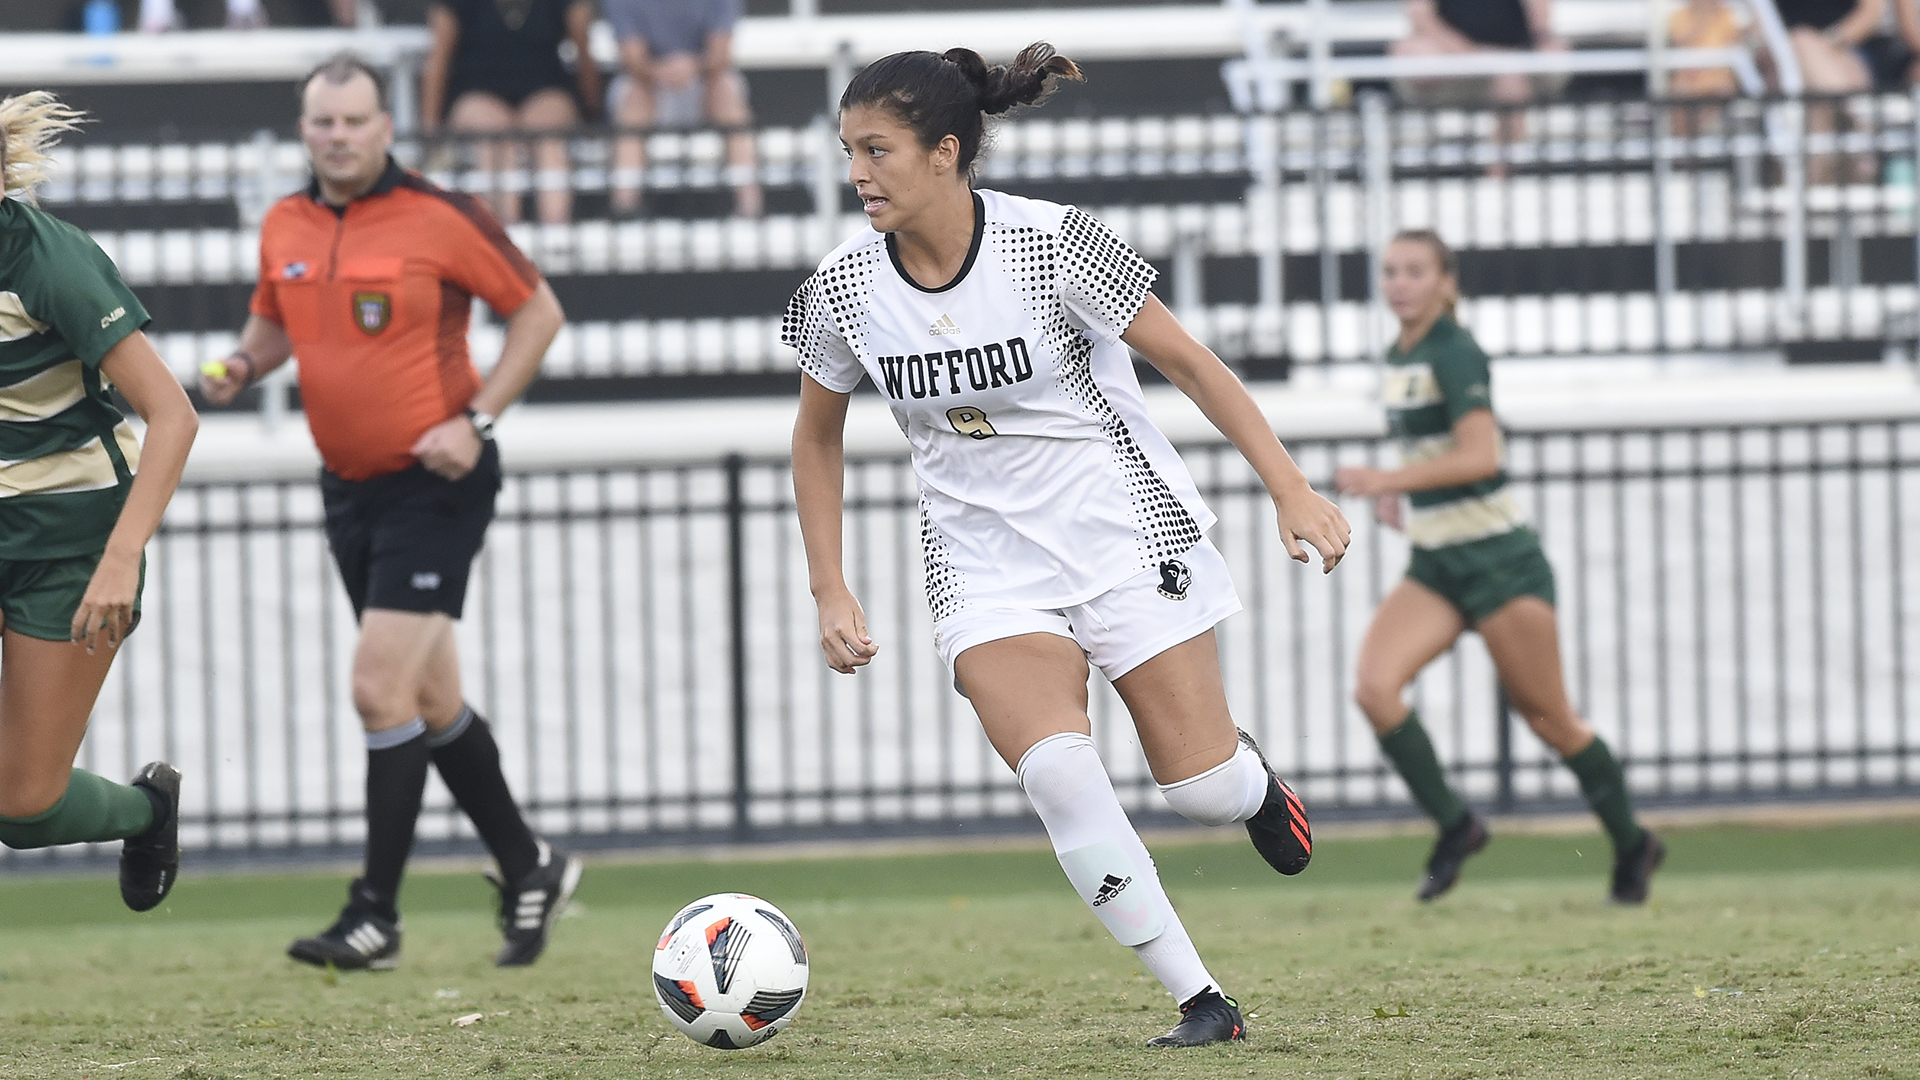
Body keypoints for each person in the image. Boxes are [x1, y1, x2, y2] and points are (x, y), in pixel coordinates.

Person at [786, 44, 1349, 1047]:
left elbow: (1193, 364)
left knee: (1198, 789)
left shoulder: (1052, 244)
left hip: (1124, 533)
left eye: (877, 150)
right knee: (1057, 771)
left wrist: (1290, 486)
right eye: (848, 152)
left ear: (946, 152)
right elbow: (815, 436)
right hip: (983, 564)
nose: (858, 173)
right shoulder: (840, 289)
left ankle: (1251, 785)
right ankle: (1200, 999)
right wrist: (830, 588)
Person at [199, 54, 580, 970]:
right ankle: (529, 868)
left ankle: (375, 914)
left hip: (435, 484)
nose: (337, 136)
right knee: (427, 697)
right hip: (348, 489)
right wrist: (242, 366)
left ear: (386, 126)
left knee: (377, 688)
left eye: (354, 120)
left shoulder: (439, 216)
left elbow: (539, 315)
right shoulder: (285, 221)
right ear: (305, 129)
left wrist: (477, 420)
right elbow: (275, 324)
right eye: (322, 122)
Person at [1333, 230, 1664, 906]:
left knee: (1550, 720)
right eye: (1391, 271)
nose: (1399, 283)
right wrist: (1407, 495)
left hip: (1500, 564)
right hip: (1439, 564)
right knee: (1375, 687)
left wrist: (1388, 478)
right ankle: (1459, 827)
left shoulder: (1455, 351)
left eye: (1415, 271)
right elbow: (1441, 456)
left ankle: (1634, 843)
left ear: (1445, 282)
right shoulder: (1399, 353)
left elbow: (1481, 456)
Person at [0, 91, 195, 910]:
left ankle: (148, 810)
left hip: (71, 550)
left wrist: (120, 562)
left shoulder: (48, 261)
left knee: (24, 810)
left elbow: (173, 416)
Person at [420, 0, 602, 225]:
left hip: (545, 89)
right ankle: (505, 236)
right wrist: (430, 132)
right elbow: (438, 59)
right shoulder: (455, 5)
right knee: (494, 137)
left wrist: (593, 113)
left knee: (546, 137)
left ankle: (556, 235)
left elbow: (584, 53)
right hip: (477, 91)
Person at [604, 0, 763, 218]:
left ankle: (750, 207)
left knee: (725, 89)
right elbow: (633, 59)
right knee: (635, 97)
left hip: (703, 84)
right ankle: (625, 206)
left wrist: (692, 67)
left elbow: (720, 56)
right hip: (649, 86)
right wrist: (661, 72)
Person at [1392, 0, 1564, 148]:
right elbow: (1421, 18)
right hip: (1448, 67)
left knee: (1512, 79)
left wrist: (1539, 43)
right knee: (1418, 55)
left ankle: (1500, 174)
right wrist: (1472, 55)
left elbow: (1541, 24)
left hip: (1508, 65)